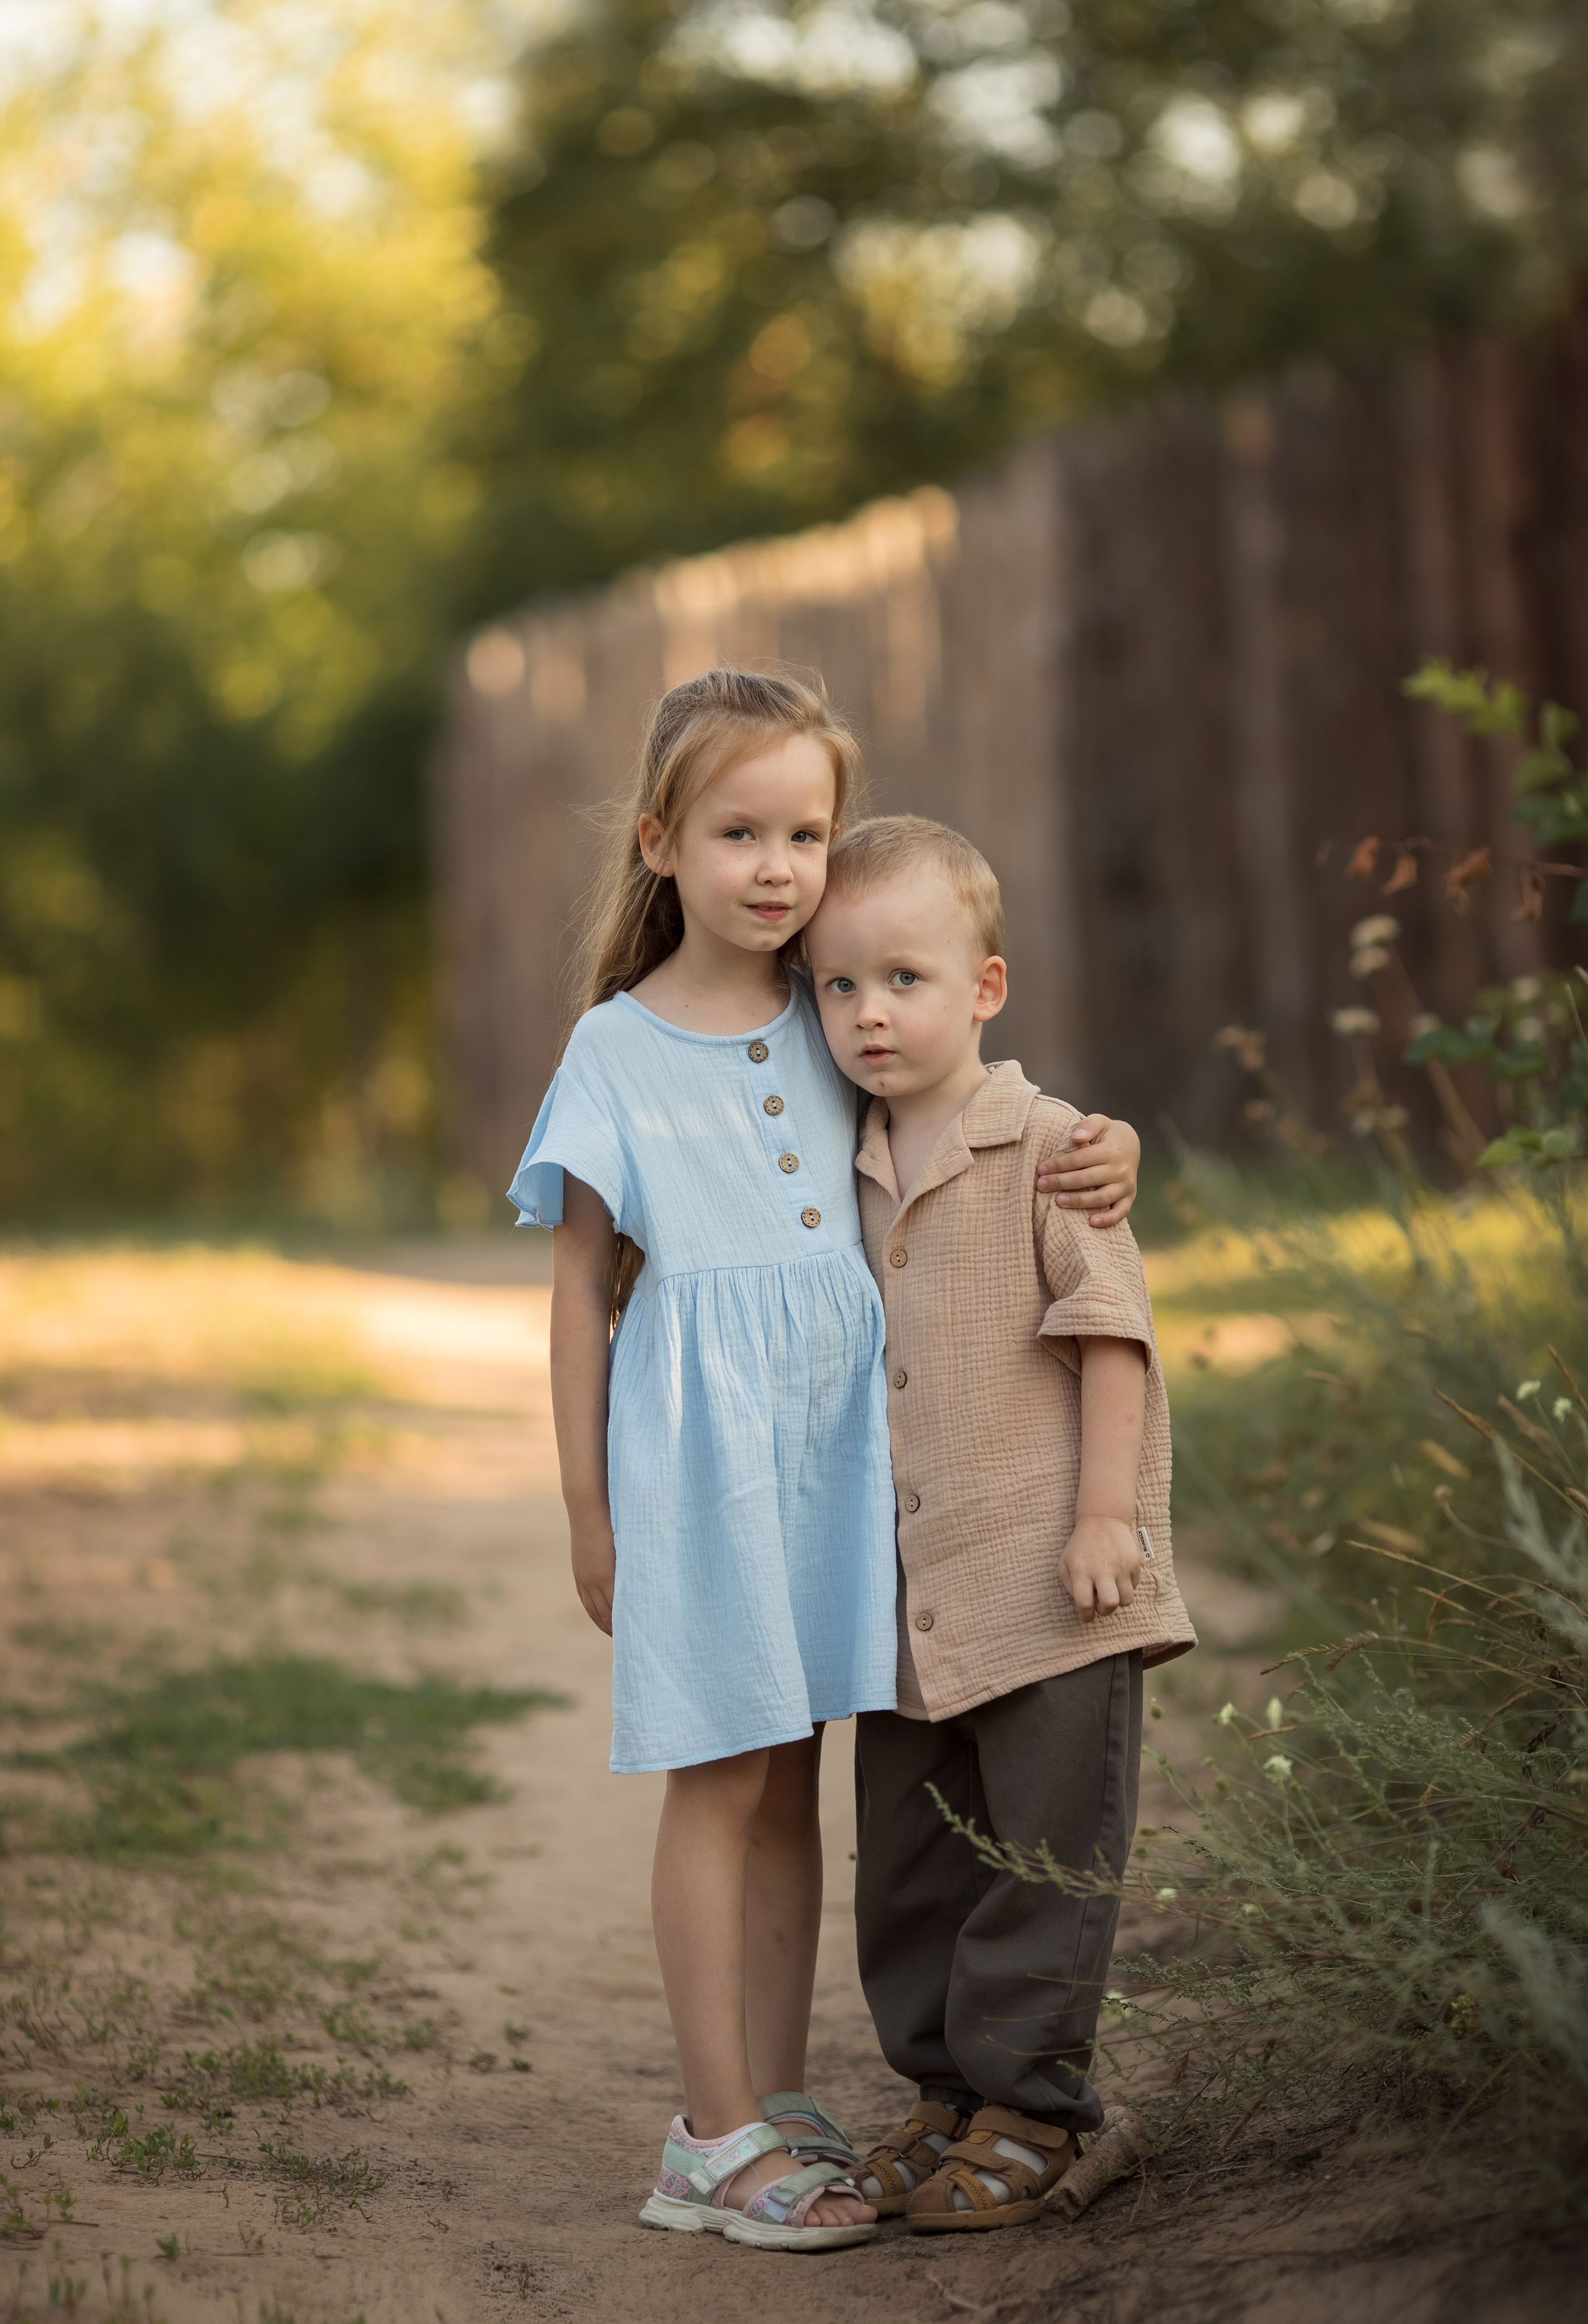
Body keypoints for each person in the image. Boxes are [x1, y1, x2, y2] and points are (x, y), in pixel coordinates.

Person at [510, 673, 1143, 2251]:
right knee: (717, 1774)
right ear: (660, 842)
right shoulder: (615, 1046)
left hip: (839, 1474)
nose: (778, 864)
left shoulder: (828, 1009)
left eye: (806, 829)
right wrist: (589, 1512)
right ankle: (708, 2134)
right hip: (705, 1471)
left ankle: (782, 2098)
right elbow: (581, 1291)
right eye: (738, 830)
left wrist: (1107, 1143)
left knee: (794, 1776)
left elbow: (973, 1099)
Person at [805, 812, 1196, 2234]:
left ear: (984, 988)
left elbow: (1110, 1333)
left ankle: (1041, 2110)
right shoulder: (829, 1156)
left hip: (1050, 1582)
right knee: (909, 1866)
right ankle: (943, 2092)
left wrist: (1104, 1519)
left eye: (902, 979)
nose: (865, 1013)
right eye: (836, 986)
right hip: (907, 1597)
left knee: (1044, 1854)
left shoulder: (1050, 1148)